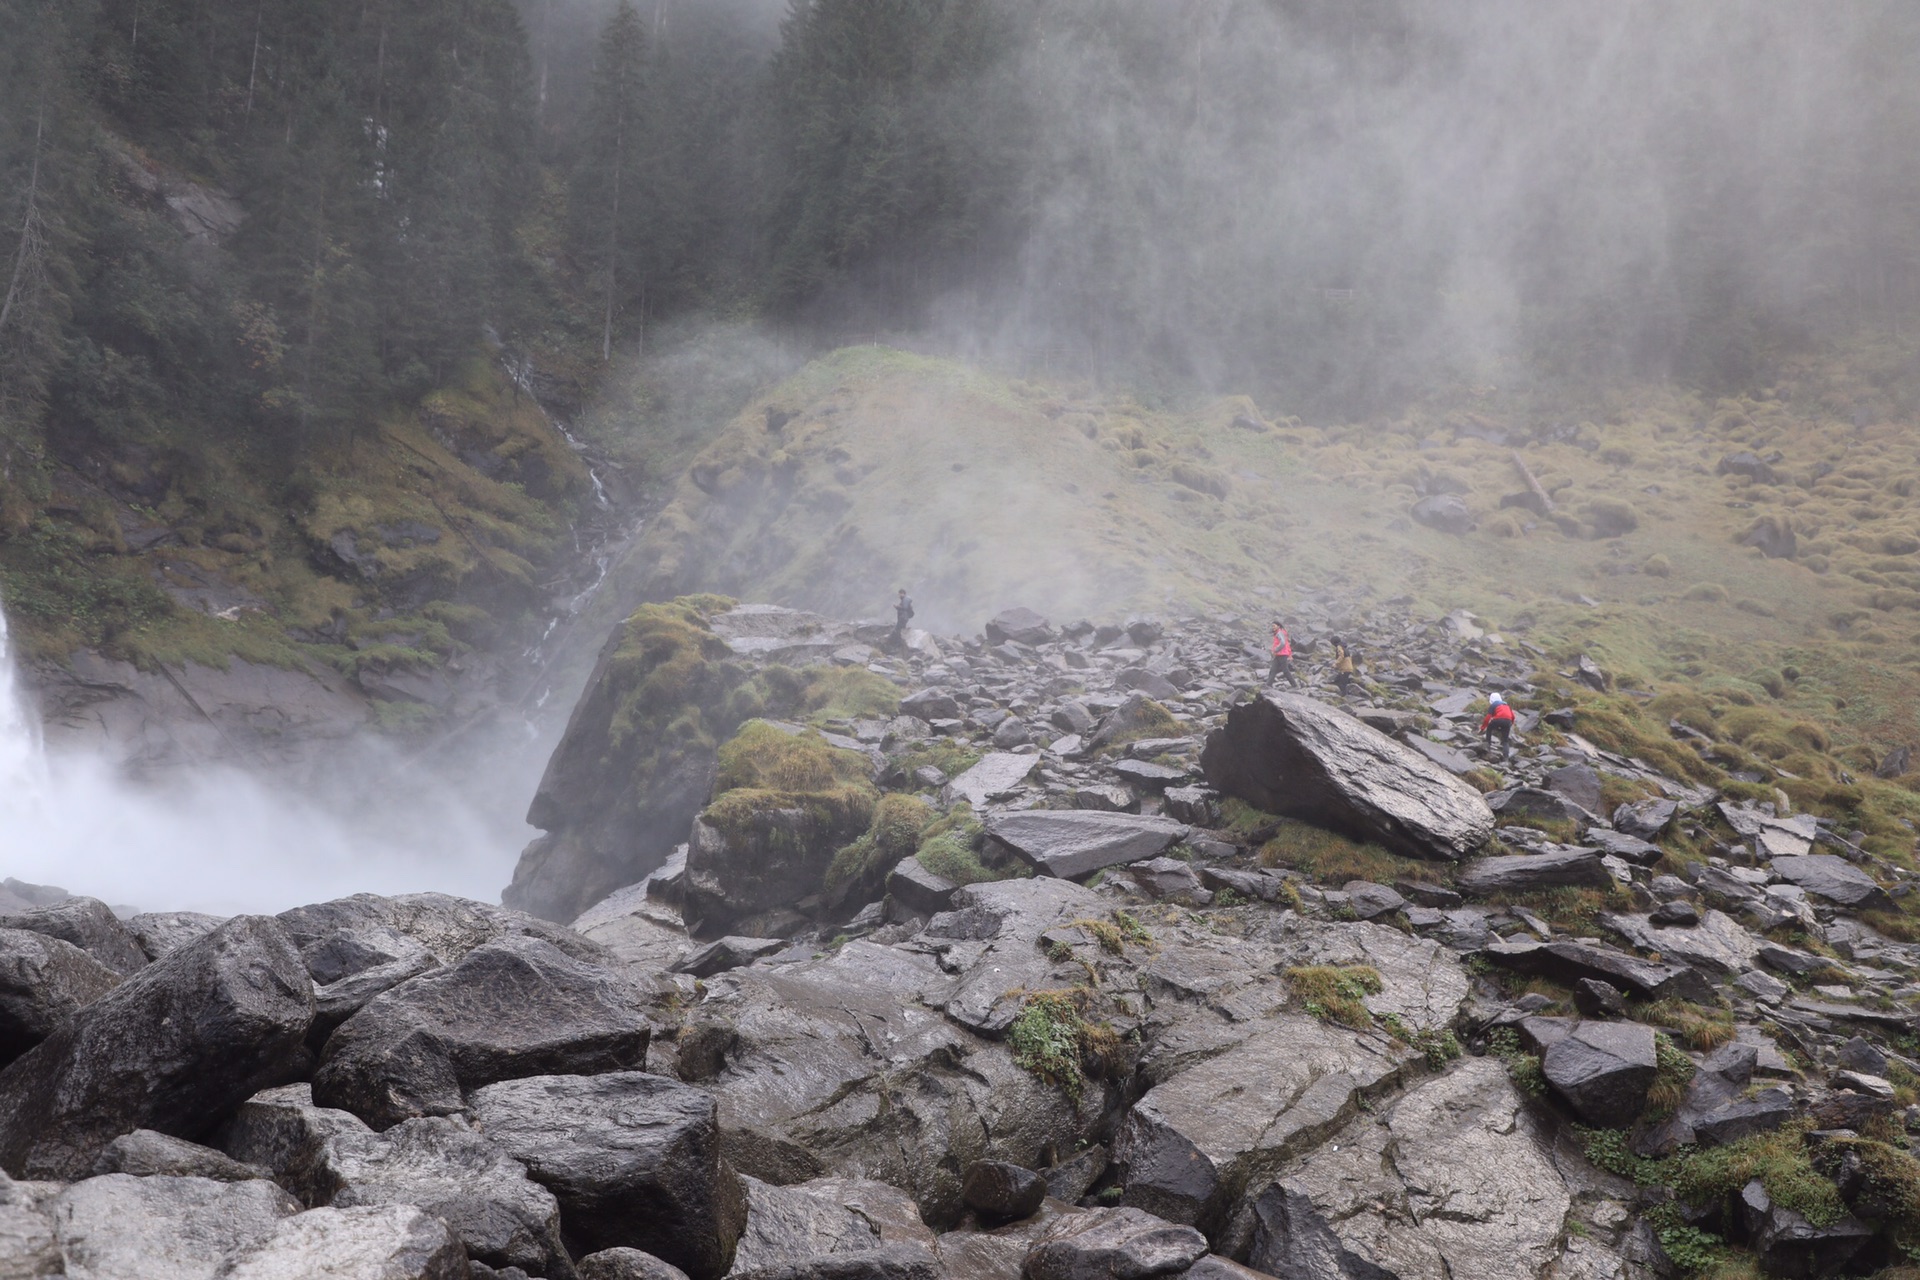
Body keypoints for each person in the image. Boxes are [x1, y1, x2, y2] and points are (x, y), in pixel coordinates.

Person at [1481, 691, 1516, 759]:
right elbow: (1513, 717)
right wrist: (1509, 725)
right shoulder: (1506, 705)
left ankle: (1488, 745)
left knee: (1489, 728)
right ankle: (1506, 758)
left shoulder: (1494, 705)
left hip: (1497, 720)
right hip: (1508, 721)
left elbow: (1488, 718)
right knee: (1505, 740)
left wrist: (1482, 728)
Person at [1265, 620, 1300, 688]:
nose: (1273, 627)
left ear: (1278, 626)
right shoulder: (1280, 632)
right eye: (1272, 626)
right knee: (1273, 669)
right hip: (1279, 654)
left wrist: (1276, 649)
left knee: (1285, 670)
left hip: (1282, 654)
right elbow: (1286, 644)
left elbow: (1283, 643)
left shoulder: (1279, 633)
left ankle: (1294, 685)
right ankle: (1268, 685)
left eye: (1274, 626)